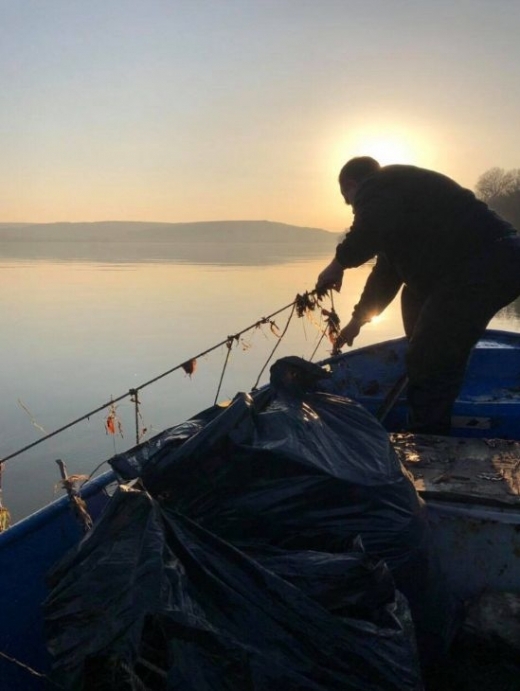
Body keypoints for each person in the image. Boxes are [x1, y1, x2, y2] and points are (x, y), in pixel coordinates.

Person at [316, 156, 520, 434]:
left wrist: (337, 264)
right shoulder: (399, 206)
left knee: (431, 354)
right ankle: (427, 376)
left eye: (348, 200)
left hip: (491, 261)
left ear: (352, 185)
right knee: (413, 296)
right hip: (477, 266)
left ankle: (428, 437)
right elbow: (385, 277)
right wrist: (356, 322)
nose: (352, 208)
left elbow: (369, 226)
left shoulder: (380, 184)